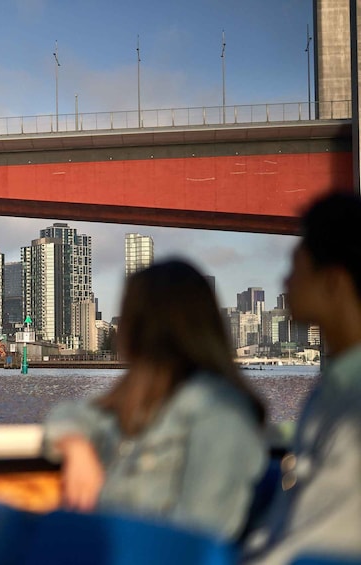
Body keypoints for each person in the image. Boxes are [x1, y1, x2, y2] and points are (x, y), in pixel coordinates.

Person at [41, 259, 267, 540]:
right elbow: (71, 414)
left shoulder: (221, 412)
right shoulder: (138, 400)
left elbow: (200, 537)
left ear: (140, 328)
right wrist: (76, 446)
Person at [243, 192, 361, 563]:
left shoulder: (352, 406)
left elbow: (315, 542)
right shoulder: (333, 387)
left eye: (296, 267)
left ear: (334, 283)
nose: (285, 281)